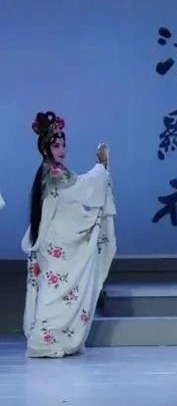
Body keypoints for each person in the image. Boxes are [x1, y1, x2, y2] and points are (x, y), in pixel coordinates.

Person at [22, 111, 116, 358]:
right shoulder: (54, 173)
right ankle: (42, 340)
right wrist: (101, 167)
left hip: (53, 241)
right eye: (56, 145)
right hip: (56, 243)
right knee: (54, 293)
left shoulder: (50, 171)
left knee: (53, 291)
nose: (62, 149)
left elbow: (72, 198)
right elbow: (83, 187)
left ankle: (50, 338)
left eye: (63, 144)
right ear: (46, 149)